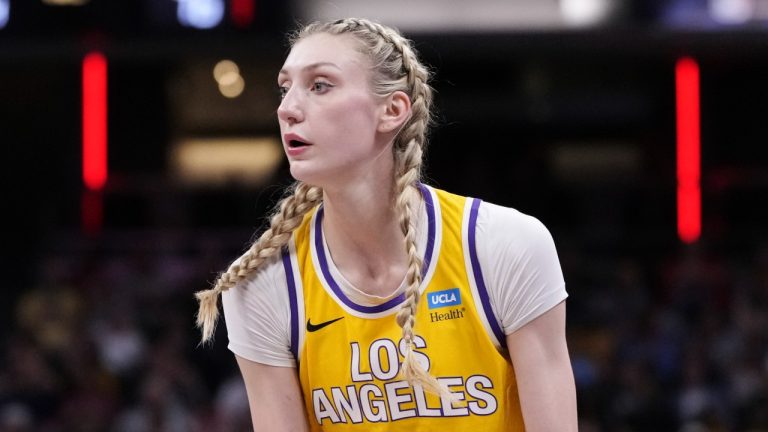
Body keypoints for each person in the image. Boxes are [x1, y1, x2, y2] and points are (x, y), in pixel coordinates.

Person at [195, 17, 578, 431]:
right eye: (285, 88)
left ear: (392, 110)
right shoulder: (262, 284)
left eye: (320, 85)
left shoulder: (504, 245)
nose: (287, 108)